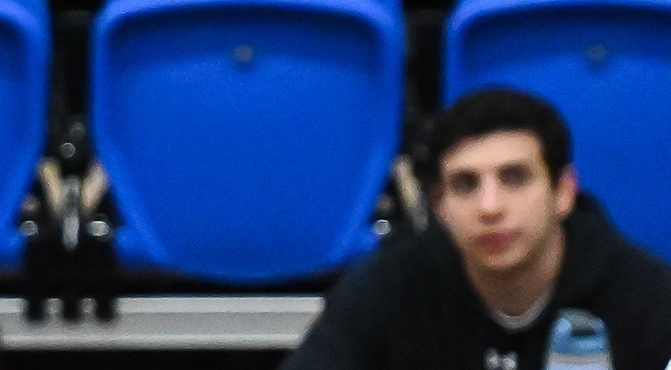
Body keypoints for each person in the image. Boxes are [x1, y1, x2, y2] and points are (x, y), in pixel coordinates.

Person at [283, 87, 671, 370]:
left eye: (515, 178)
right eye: (465, 184)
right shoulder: (387, 288)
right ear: (440, 206)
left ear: (564, 192)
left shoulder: (648, 298)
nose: (489, 207)